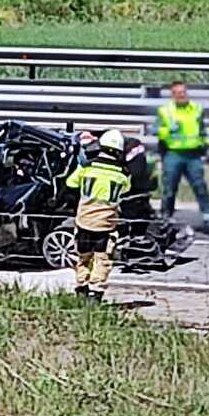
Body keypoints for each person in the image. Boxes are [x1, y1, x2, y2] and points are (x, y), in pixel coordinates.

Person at [65, 129, 130, 303]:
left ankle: (81, 287)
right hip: (106, 226)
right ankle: (96, 292)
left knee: (83, 257)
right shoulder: (122, 176)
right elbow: (126, 190)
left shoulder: (87, 169)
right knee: (102, 259)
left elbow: (70, 183)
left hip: (84, 222)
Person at [155, 81, 209, 236]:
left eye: (183, 92)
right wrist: (168, 130)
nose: (182, 95)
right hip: (173, 153)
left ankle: (208, 220)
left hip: (193, 154)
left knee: (200, 188)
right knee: (169, 189)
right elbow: (157, 130)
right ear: (172, 95)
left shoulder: (196, 109)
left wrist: (207, 148)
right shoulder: (165, 111)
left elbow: (203, 130)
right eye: (178, 93)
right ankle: (165, 219)